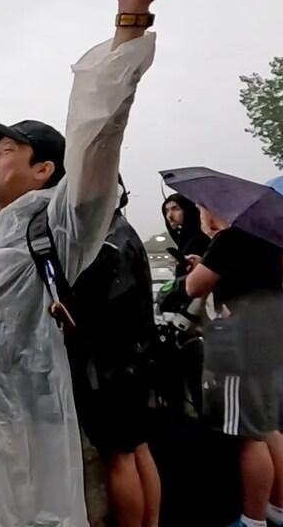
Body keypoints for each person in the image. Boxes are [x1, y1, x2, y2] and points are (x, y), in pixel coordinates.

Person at [0, 0, 165, 527]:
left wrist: (128, 22)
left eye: (7, 151)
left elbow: (98, 140)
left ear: (46, 169)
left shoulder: (60, 225)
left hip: (20, 432)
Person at [186, 208, 283, 527]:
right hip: (272, 341)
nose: (200, 214)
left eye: (201, 208)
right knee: (269, 427)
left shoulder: (230, 239)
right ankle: (280, 510)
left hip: (242, 348)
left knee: (250, 437)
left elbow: (194, 287)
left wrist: (204, 259)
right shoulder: (268, 238)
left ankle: (252, 519)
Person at [69, 178, 161, 527]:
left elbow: (98, 311)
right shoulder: (125, 232)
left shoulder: (107, 245)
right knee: (138, 449)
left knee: (119, 458)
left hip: (112, 367)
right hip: (135, 362)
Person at [163, 193, 211, 261]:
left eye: (176, 209)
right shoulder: (184, 238)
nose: (169, 216)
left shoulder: (199, 240)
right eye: (166, 211)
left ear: (188, 210)